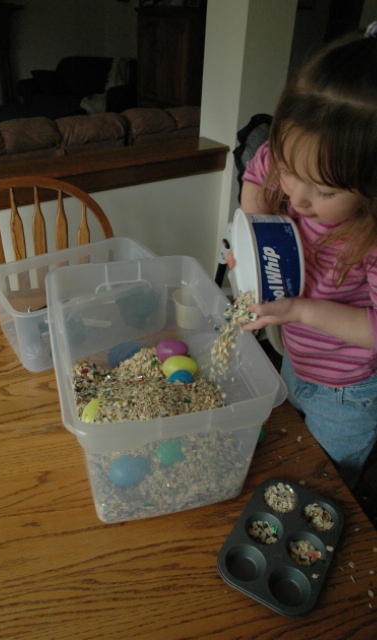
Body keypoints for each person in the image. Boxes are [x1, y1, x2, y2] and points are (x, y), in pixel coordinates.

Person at [228, 23, 377, 490]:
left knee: (321, 486)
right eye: (292, 173)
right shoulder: (293, 151)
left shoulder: (370, 239)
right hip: (297, 363)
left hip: (347, 395)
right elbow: (258, 172)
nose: (300, 198)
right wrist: (254, 234)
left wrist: (301, 310)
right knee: (289, 457)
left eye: (326, 190)